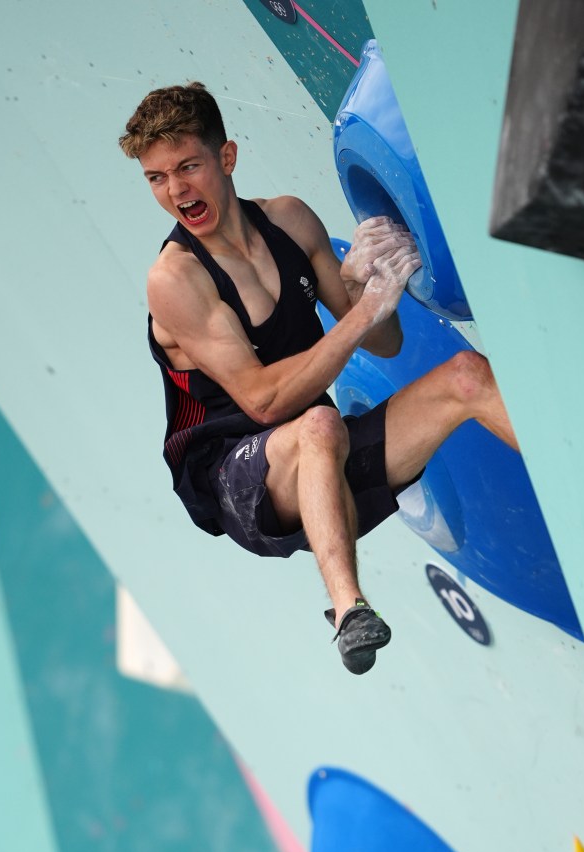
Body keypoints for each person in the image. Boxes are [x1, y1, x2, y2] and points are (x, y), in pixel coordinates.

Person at [119, 81, 517, 675]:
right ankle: (348, 611)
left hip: (320, 463)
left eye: (187, 167)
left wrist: (363, 285)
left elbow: (385, 341)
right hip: (237, 478)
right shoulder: (175, 280)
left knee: (466, 377)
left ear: (226, 158)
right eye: (156, 178)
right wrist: (359, 313)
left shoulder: (289, 221)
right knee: (319, 423)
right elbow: (261, 399)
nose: (175, 190)